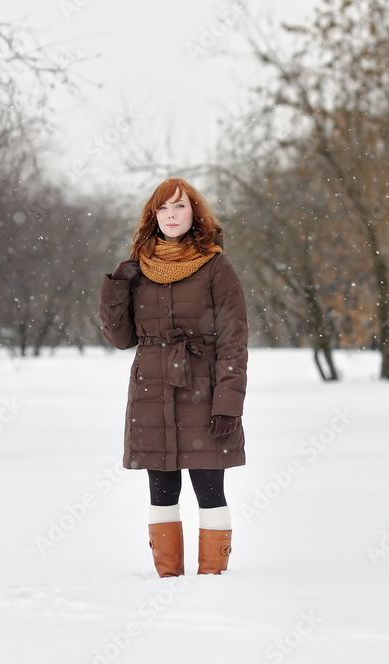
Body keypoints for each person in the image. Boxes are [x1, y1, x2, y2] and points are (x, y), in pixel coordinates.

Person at [99, 177, 248, 577]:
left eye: (179, 207)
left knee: (209, 490)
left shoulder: (216, 264)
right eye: (163, 209)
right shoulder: (139, 267)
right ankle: (167, 579)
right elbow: (120, 338)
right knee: (161, 491)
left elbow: (234, 341)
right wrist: (117, 287)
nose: (171, 215)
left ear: (194, 213)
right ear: (154, 216)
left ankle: (213, 578)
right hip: (152, 391)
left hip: (204, 391)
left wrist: (228, 406)